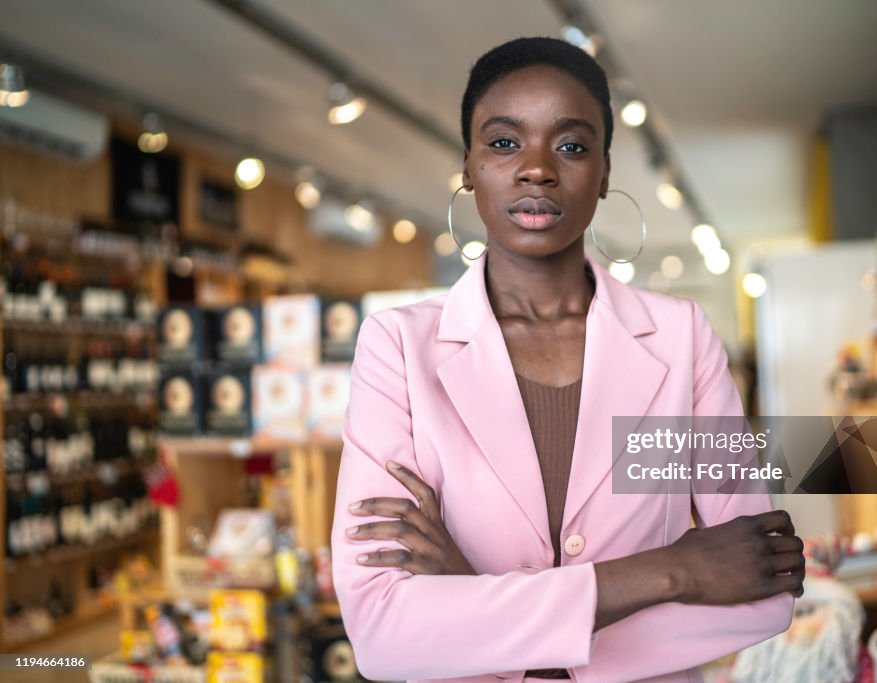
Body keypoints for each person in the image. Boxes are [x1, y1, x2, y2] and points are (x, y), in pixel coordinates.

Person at [331, 37, 805, 683]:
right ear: (468, 165)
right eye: (503, 143)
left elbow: (764, 581)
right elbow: (384, 631)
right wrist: (675, 571)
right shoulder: (398, 349)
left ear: (605, 172)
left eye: (572, 145)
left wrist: (474, 604)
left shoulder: (679, 338)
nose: (536, 169)